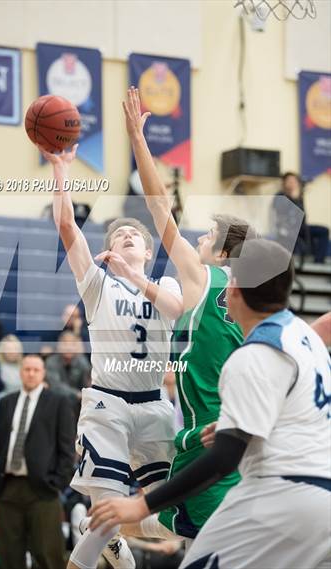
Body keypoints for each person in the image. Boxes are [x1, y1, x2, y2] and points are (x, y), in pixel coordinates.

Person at [90, 238, 331, 569]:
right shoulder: (305, 337)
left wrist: (141, 506)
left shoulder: (250, 357)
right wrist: (236, 426)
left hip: (282, 496)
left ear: (234, 291)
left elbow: (222, 460)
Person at [119, 87, 257, 541]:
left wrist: (138, 140)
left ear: (221, 249)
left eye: (208, 234)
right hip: (240, 434)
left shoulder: (200, 275)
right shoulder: (248, 294)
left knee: (151, 525)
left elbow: (160, 210)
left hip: (209, 439)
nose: (198, 237)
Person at [39, 141, 183, 569]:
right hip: (108, 403)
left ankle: (110, 530)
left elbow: (175, 311)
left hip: (155, 406)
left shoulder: (169, 285)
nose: (125, 236)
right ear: (110, 248)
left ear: (148, 251)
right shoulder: (98, 283)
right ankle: (103, 533)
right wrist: (61, 169)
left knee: (177, 518)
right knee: (105, 517)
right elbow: (67, 226)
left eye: (134, 235)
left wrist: (136, 277)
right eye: (118, 234)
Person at [0, 354, 75, 569]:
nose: (30, 373)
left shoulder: (58, 402)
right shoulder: (6, 403)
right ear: (20, 372)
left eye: (35, 370)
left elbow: (67, 449)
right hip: (7, 486)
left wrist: (57, 482)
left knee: (47, 554)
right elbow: (0, 444)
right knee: (10, 556)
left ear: (43, 373)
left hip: (42, 488)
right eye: (27, 369)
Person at [272, 171, 329, 263]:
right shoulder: (280, 196)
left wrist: (296, 199)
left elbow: (302, 215)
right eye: (290, 181)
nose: (293, 184)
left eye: (294, 181)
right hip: (288, 230)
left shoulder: (298, 196)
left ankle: (319, 261)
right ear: (284, 183)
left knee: (323, 231)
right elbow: (281, 210)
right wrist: (293, 199)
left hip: (301, 228)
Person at [45, 330, 91, 417]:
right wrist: (77, 394)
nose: (68, 347)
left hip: (78, 405)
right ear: (59, 346)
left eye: (72, 344)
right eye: (65, 343)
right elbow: (56, 386)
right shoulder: (51, 361)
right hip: (56, 404)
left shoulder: (82, 361)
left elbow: (87, 384)